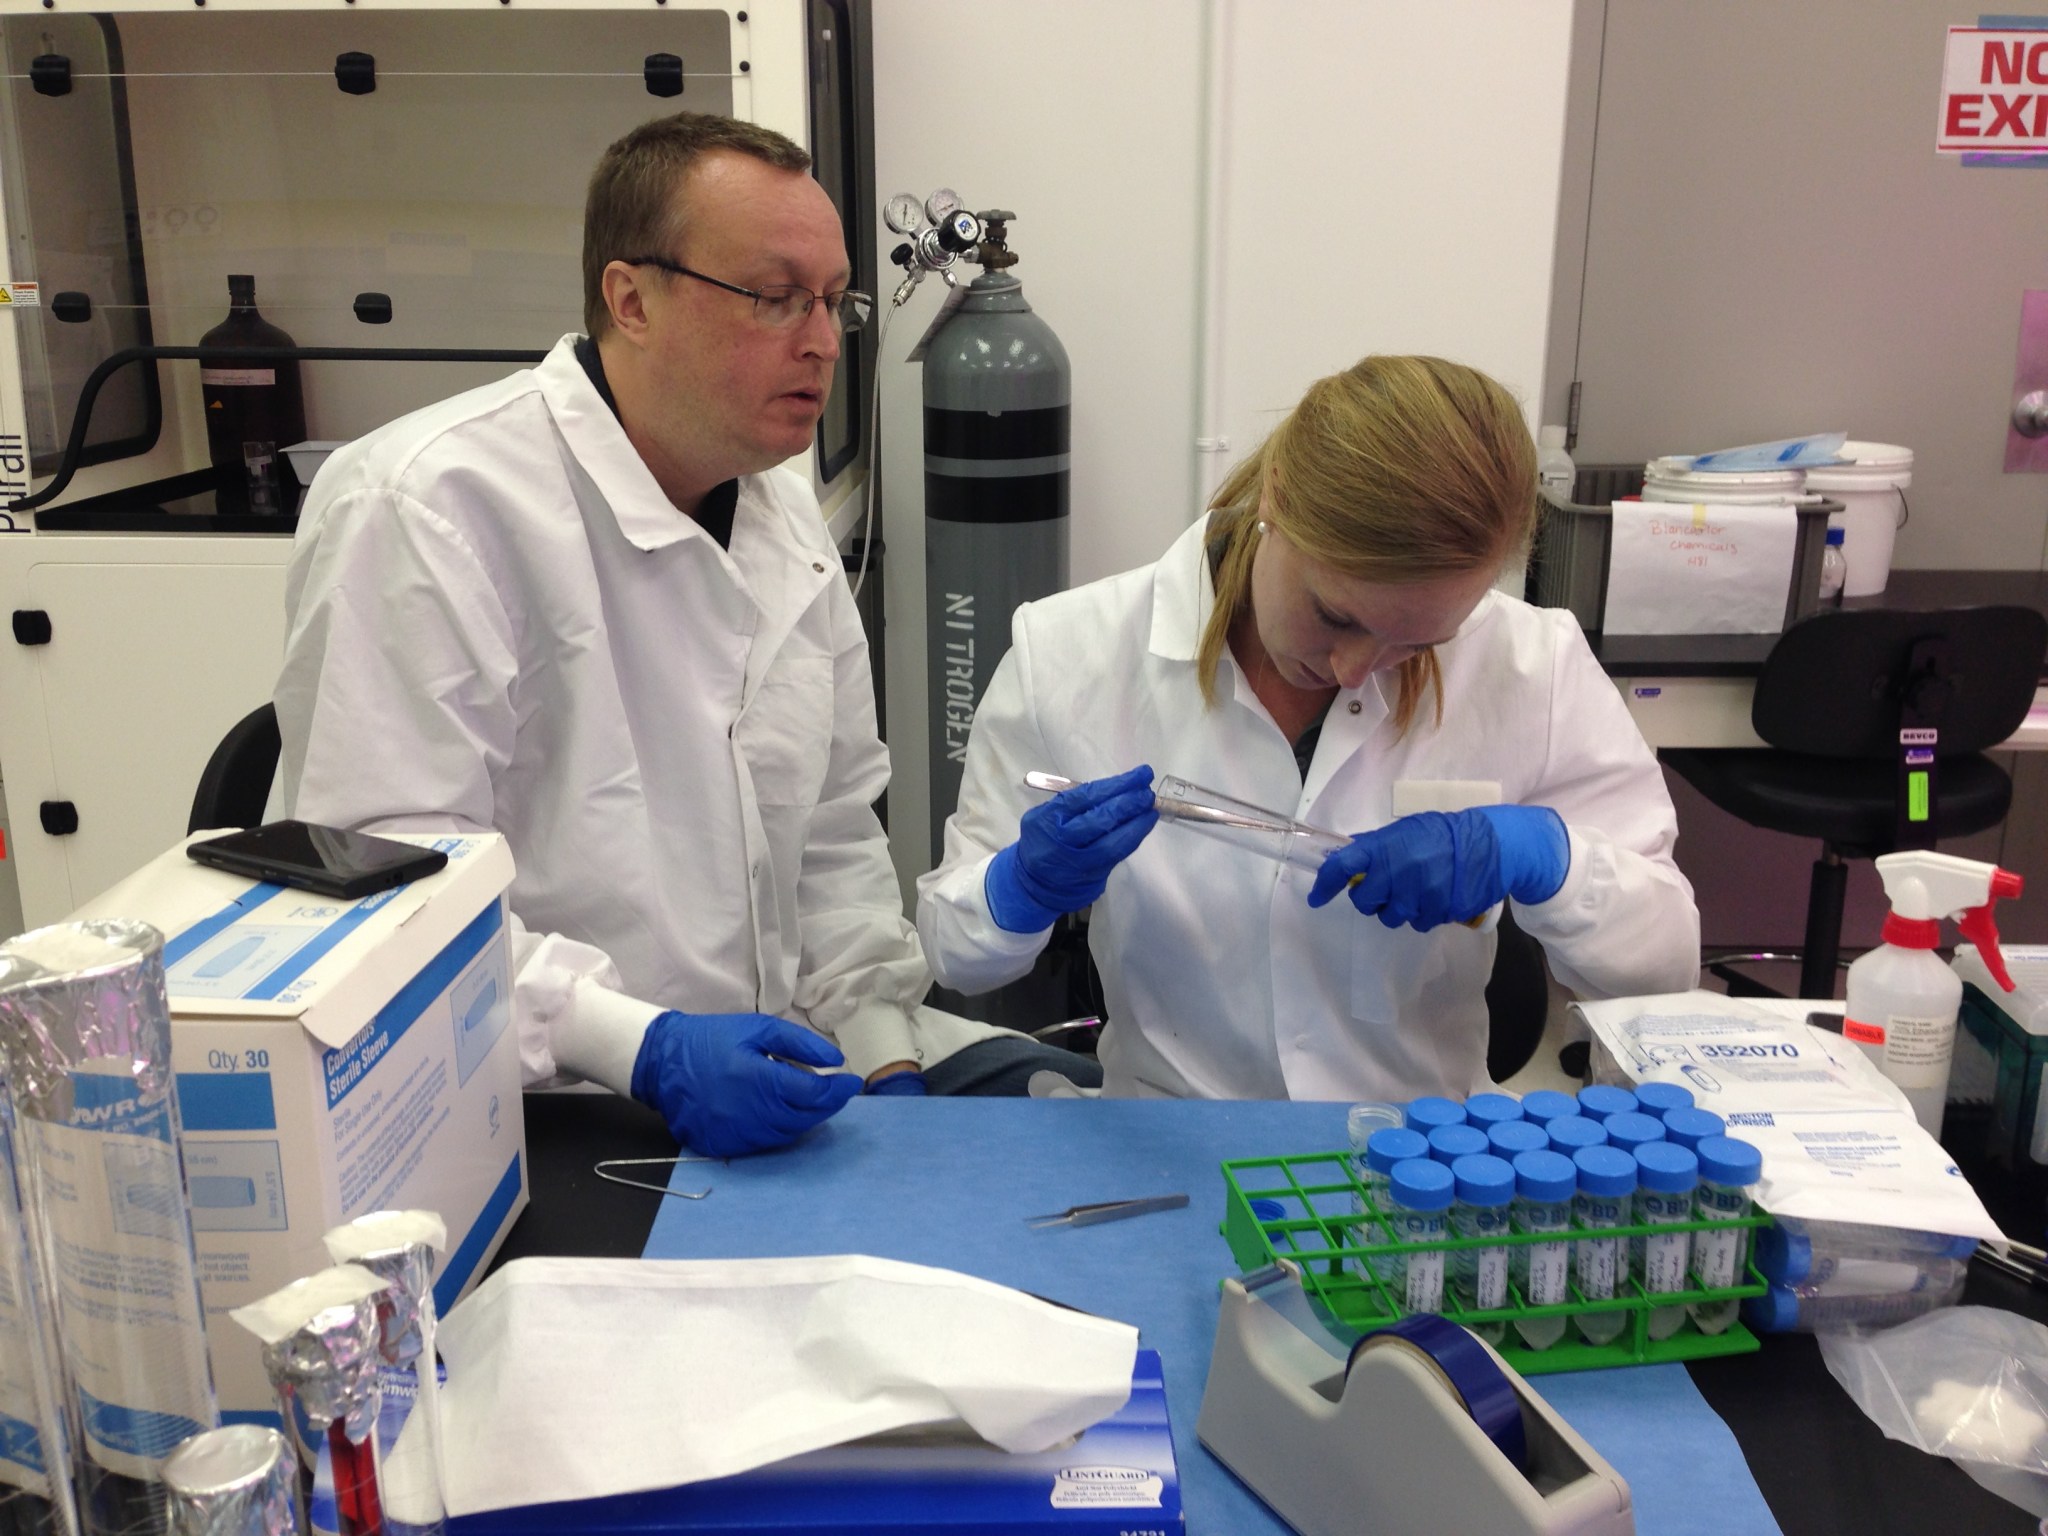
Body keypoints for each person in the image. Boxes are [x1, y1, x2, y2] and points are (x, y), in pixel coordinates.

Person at [275, 112, 1034, 1158]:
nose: (820, 342)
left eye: (832, 301)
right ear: (630, 300)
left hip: (779, 1092)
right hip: (538, 1112)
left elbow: (827, 831)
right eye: (774, 299)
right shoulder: (428, 510)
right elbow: (387, 908)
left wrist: (879, 1050)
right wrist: (639, 1047)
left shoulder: (775, 505)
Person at [917, 355, 1700, 1101]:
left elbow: (1664, 962)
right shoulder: (1071, 651)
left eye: (1416, 645)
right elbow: (954, 950)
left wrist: (1548, 859)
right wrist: (1020, 885)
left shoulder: (1530, 662)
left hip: (1413, 1159)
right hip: (1170, 1141)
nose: (1356, 668)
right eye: (1334, 615)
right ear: (1278, 496)